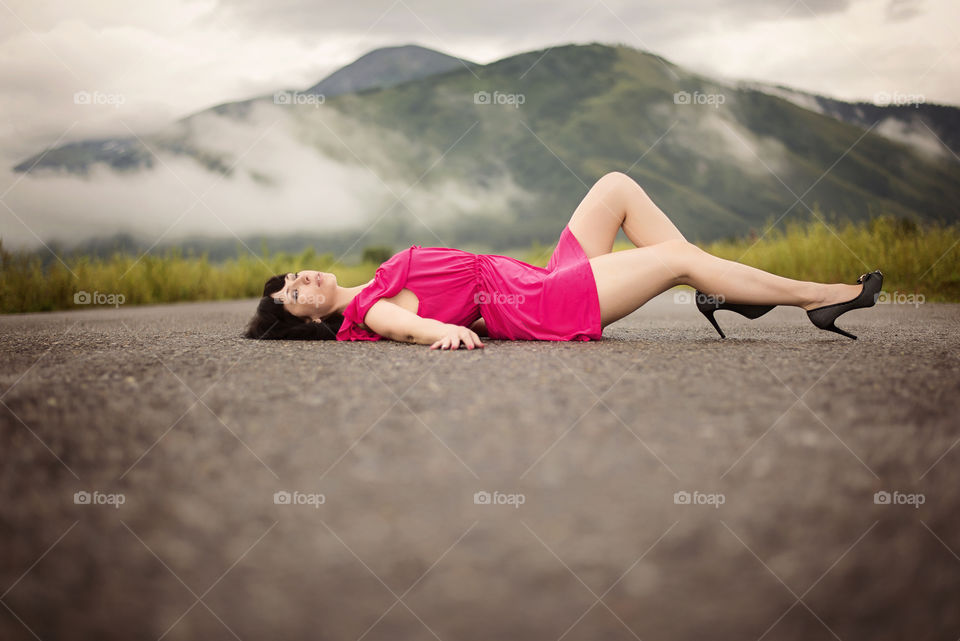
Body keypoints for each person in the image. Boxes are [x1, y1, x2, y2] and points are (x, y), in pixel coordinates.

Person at [244, 172, 882, 349]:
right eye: (293, 296)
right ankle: (818, 298)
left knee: (616, 187)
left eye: (293, 278)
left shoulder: (378, 279)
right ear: (312, 320)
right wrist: (447, 334)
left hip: (536, 280)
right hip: (542, 303)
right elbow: (416, 327)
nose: (301, 281)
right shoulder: (373, 310)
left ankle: (718, 288)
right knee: (673, 258)